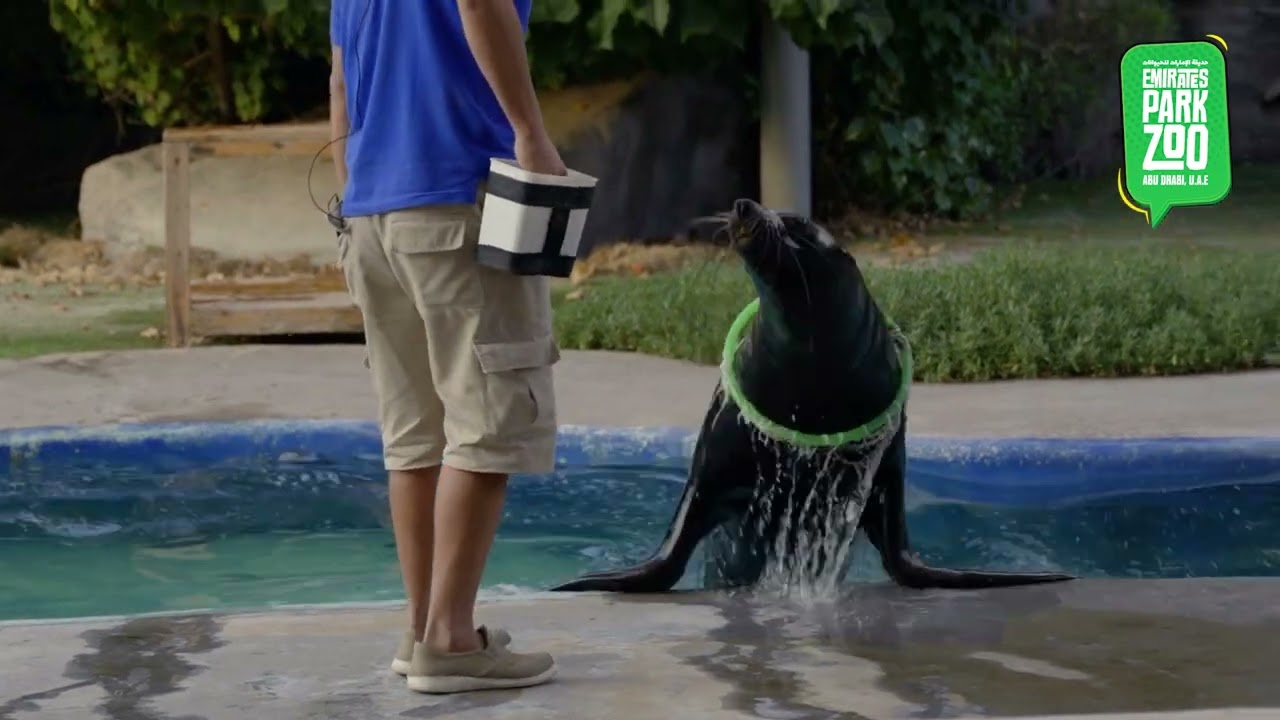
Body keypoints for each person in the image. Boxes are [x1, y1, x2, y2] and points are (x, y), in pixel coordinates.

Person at [328, 0, 566, 694]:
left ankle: (423, 628)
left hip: (370, 215)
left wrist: (357, 192)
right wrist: (530, 132)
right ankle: (453, 641)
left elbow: (340, 84)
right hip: (460, 195)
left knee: (416, 434)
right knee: (489, 422)